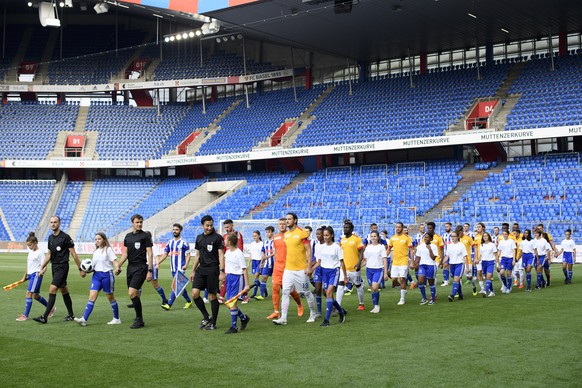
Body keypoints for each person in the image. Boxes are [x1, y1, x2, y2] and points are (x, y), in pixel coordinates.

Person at [33, 216, 84, 324]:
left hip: (62, 267)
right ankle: (71, 315)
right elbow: (49, 254)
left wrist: (80, 269)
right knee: (64, 290)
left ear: (59, 223)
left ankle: (44, 317)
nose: (53, 224)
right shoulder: (51, 238)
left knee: (52, 289)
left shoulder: (65, 237)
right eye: (51, 222)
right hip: (54, 267)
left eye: (55, 222)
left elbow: (73, 254)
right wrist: (42, 267)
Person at [273, 213, 317, 325]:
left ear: (295, 220)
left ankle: (312, 313)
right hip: (288, 270)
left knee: (306, 292)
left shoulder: (302, 232)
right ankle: (283, 318)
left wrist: (309, 267)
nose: (287, 221)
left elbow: (308, 250)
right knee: (285, 292)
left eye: (289, 219)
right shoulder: (286, 234)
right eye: (286, 219)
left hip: (301, 270)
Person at [74, 232, 121, 326]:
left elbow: (115, 261)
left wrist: (117, 268)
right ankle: (84, 319)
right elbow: (93, 266)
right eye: (96, 239)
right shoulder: (95, 252)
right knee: (91, 297)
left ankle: (116, 318)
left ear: (104, 239)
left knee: (110, 297)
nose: (97, 241)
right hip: (96, 276)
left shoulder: (108, 250)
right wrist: (85, 271)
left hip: (107, 276)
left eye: (99, 239)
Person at [116, 214, 153, 329]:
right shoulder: (127, 237)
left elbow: (150, 253)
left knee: (132, 293)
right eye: (137, 222)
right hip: (130, 268)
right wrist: (118, 266)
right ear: (132, 223)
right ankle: (139, 318)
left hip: (141, 267)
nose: (139, 224)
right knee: (134, 294)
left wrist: (150, 270)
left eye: (141, 222)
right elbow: (125, 254)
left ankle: (139, 319)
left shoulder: (145, 236)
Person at [189, 215, 225, 331]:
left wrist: (222, 271)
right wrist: (193, 271)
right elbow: (197, 255)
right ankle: (206, 317)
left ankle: (213, 323)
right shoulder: (199, 238)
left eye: (211, 225)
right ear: (202, 225)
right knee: (194, 294)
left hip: (212, 269)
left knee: (212, 296)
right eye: (207, 225)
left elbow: (221, 255)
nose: (209, 228)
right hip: (201, 269)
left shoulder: (218, 238)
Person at [308, 226, 347, 326]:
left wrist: (345, 277)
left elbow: (342, 263)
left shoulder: (336, 247)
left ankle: (326, 320)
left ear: (332, 235)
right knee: (327, 294)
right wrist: (311, 269)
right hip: (325, 272)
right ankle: (341, 312)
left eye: (327, 235)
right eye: (324, 235)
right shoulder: (322, 247)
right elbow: (319, 262)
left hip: (334, 272)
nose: (325, 237)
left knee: (329, 293)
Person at [267, 218, 304, 320]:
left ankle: (300, 305)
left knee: (291, 290)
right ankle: (276, 312)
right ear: (277, 226)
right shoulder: (275, 238)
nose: (282, 226)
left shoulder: (290, 236)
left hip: (288, 267)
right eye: (280, 224)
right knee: (275, 288)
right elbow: (276, 252)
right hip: (277, 267)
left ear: (286, 225)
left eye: (284, 224)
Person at [156, 223, 192, 310]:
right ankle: (189, 301)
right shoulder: (170, 242)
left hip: (180, 268)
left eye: (176, 229)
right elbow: (165, 254)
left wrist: (186, 265)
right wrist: (158, 263)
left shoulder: (184, 243)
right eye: (174, 229)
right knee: (180, 287)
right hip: (173, 269)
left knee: (176, 286)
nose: (174, 231)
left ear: (180, 231)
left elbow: (188, 255)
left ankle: (169, 304)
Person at [16, 232, 50, 321]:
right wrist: (24, 276)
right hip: (31, 275)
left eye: (30, 245)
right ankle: (51, 309)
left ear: (35, 243)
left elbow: (44, 265)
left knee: (29, 293)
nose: (29, 247)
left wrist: (42, 272)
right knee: (35, 296)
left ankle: (25, 316)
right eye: (28, 245)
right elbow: (28, 265)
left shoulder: (40, 253)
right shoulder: (30, 252)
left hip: (36, 275)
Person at [223, 233, 250, 334]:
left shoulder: (238, 253)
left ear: (229, 242)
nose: (224, 241)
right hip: (229, 277)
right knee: (229, 303)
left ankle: (233, 326)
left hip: (237, 278)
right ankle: (243, 318)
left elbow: (244, 269)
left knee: (232, 302)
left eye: (225, 240)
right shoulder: (227, 252)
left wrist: (247, 284)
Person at [339, 221, 365, 311]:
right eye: (344, 227)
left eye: (347, 228)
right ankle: (337, 305)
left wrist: (358, 263)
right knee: (340, 284)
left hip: (354, 268)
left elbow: (361, 252)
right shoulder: (342, 240)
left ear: (351, 229)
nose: (345, 229)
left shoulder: (357, 239)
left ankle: (361, 303)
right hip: (344, 269)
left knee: (358, 286)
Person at [386, 222, 413, 305]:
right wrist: (384, 257)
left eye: (399, 227)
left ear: (402, 228)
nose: (397, 228)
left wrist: (412, 261)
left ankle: (402, 299)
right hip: (395, 261)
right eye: (396, 227)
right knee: (394, 279)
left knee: (402, 279)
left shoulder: (407, 238)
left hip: (404, 261)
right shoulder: (392, 238)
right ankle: (403, 290)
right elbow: (389, 249)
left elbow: (411, 250)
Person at [362, 230, 388, 313]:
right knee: (372, 289)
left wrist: (385, 273)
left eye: (375, 236)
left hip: (378, 269)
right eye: (372, 236)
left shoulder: (381, 247)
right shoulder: (368, 247)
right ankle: (374, 306)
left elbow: (384, 260)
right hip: (369, 269)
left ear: (378, 237)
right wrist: (358, 266)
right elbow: (365, 260)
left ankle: (377, 306)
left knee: (374, 287)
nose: (373, 238)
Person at [220, 219, 244, 302]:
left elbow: (240, 248)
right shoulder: (224, 237)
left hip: (235, 260)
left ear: (232, 225)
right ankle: (222, 297)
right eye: (225, 227)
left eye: (228, 227)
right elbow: (222, 250)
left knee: (239, 278)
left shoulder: (237, 235)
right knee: (226, 278)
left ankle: (244, 295)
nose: (226, 229)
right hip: (227, 260)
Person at [413, 233, 438, 305]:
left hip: (431, 265)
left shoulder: (434, 246)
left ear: (431, 239)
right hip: (422, 265)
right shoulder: (420, 246)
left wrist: (430, 249)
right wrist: (414, 264)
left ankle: (433, 299)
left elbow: (433, 258)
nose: (425, 238)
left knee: (431, 282)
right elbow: (418, 256)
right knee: (420, 281)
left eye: (427, 237)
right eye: (425, 237)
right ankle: (424, 298)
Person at [444, 231, 468, 301]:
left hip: (459, 264)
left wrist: (467, 267)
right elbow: (447, 256)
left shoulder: (461, 245)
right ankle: (460, 295)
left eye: (454, 236)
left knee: (456, 279)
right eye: (452, 236)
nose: (453, 238)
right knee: (456, 280)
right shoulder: (449, 245)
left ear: (457, 237)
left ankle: (452, 295)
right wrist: (442, 262)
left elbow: (465, 256)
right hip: (452, 264)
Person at [309, 226, 325, 318]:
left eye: (319, 234)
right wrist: (309, 266)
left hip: (326, 270)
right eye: (317, 234)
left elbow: (321, 261)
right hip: (318, 270)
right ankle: (319, 312)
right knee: (318, 290)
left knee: (326, 292)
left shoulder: (327, 245)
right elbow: (316, 259)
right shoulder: (317, 245)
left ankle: (335, 307)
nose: (318, 236)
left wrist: (311, 268)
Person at [457, 226, 477, 296]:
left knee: (469, 277)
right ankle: (459, 292)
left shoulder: (468, 238)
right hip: (459, 261)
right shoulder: (456, 239)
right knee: (458, 277)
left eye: (460, 232)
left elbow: (475, 247)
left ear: (462, 231)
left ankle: (474, 286)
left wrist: (475, 257)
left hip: (467, 260)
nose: (459, 234)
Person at [477, 232, 498, 297]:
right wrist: (478, 260)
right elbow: (481, 255)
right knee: (487, 277)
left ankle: (485, 291)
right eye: (484, 236)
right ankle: (492, 291)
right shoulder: (482, 245)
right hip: (484, 262)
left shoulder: (492, 245)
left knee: (489, 276)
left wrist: (498, 264)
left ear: (488, 237)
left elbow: (496, 254)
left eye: (486, 236)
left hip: (490, 262)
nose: (485, 237)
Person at [257, 226, 275, 300]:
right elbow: (263, 253)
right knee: (264, 278)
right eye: (266, 232)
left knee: (277, 280)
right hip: (267, 263)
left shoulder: (275, 241)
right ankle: (261, 295)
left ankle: (283, 294)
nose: (267, 233)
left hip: (275, 263)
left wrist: (267, 257)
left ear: (272, 232)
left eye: (269, 232)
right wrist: (261, 262)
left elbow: (275, 252)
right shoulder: (265, 242)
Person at [497, 230, 516, 294]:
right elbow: (499, 250)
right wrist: (497, 257)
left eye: (505, 234)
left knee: (508, 273)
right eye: (503, 234)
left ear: (508, 234)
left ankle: (509, 287)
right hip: (503, 258)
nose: (504, 235)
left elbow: (513, 250)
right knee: (502, 272)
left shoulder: (511, 241)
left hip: (510, 258)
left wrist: (514, 259)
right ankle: (505, 285)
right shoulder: (501, 242)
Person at [248, 230, 263, 300]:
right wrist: (248, 263)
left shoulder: (262, 244)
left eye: (255, 236)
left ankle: (254, 294)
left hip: (259, 261)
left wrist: (262, 263)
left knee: (256, 276)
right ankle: (264, 288)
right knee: (256, 278)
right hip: (254, 262)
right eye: (253, 236)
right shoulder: (252, 244)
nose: (254, 237)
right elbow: (251, 254)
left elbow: (263, 254)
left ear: (259, 236)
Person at [441, 222, 453, 286]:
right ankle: (446, 280)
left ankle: (456, 279)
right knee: (445, 265)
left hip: (453, 253)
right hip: (446, 253)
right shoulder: (443, 235)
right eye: (445, 227)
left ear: (451, 227)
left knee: (452, 267)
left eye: (447, 226)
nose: (446, 228)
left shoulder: (454, 234)